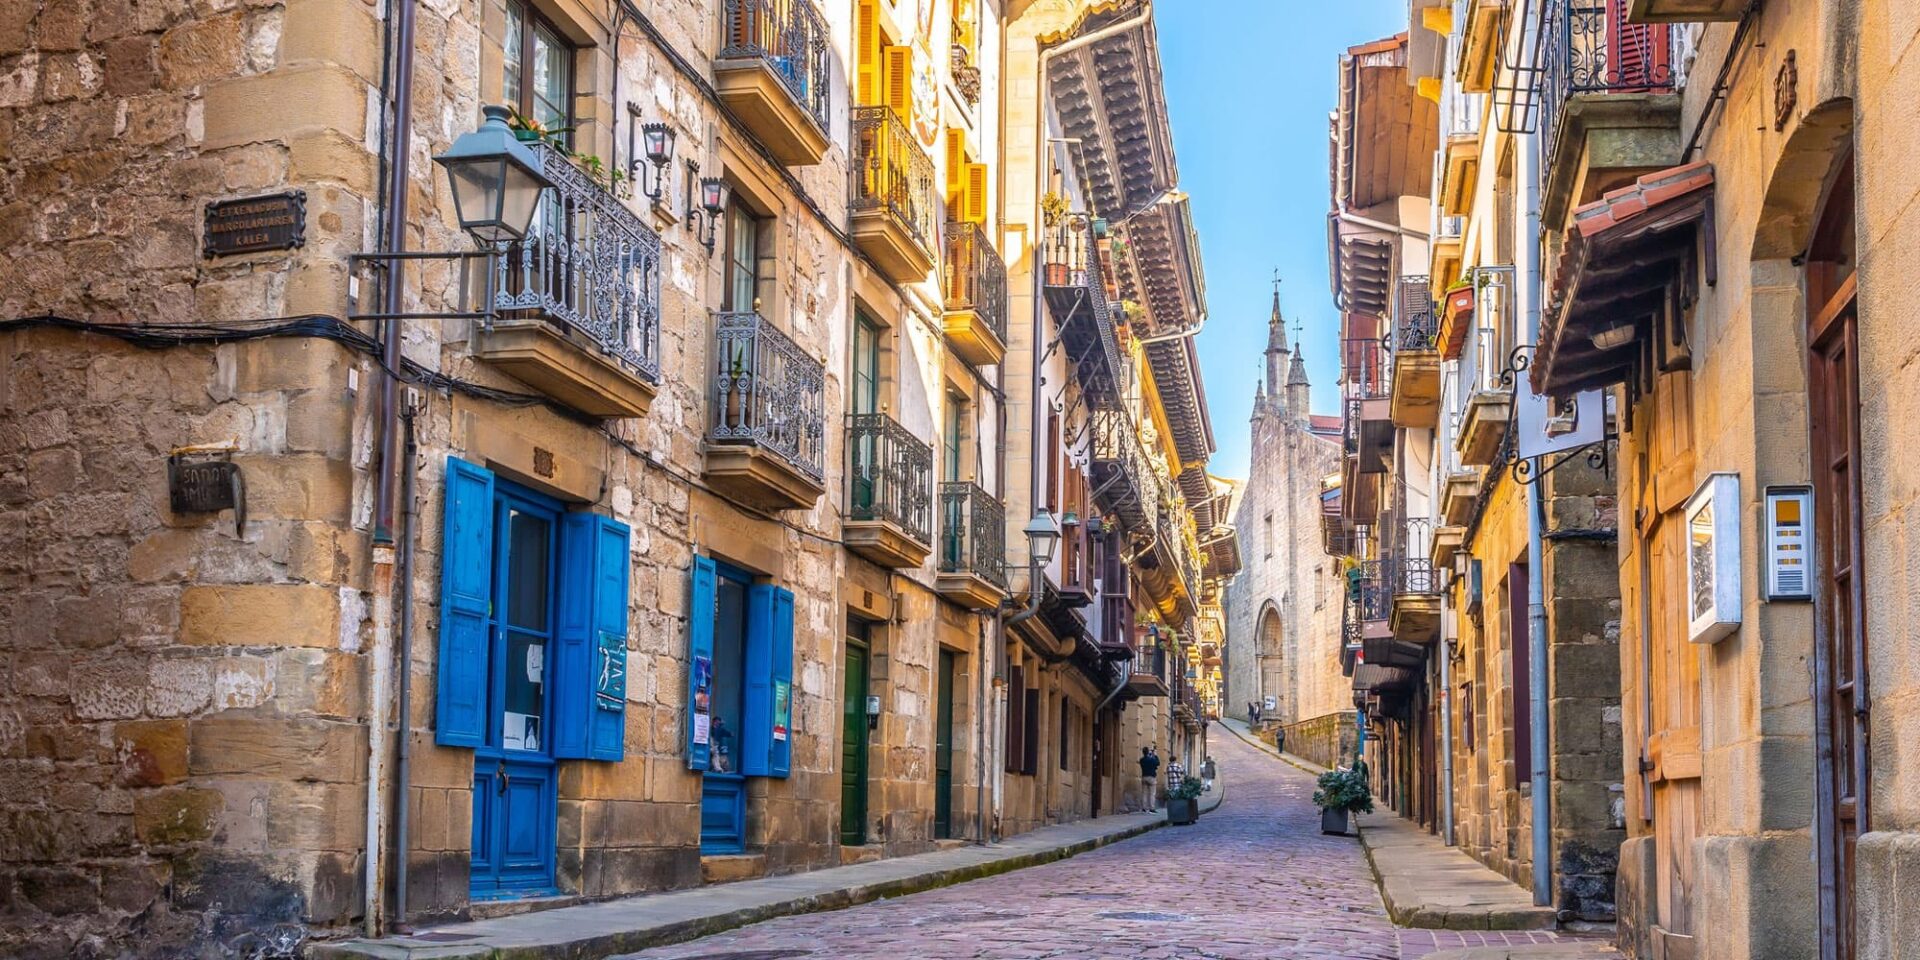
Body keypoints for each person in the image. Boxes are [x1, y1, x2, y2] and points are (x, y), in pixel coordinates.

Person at [1138, 746, 1161, 812]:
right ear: (1148, 752)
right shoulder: (1152, 759)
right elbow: (1158, 763)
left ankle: (1144, 807)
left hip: (1144, 776)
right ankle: (1152, 808)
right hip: (1151, 777)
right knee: (1152, 793)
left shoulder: (1141, 760)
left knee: (1144, 793)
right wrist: (1155, 755)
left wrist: (1150, 755)